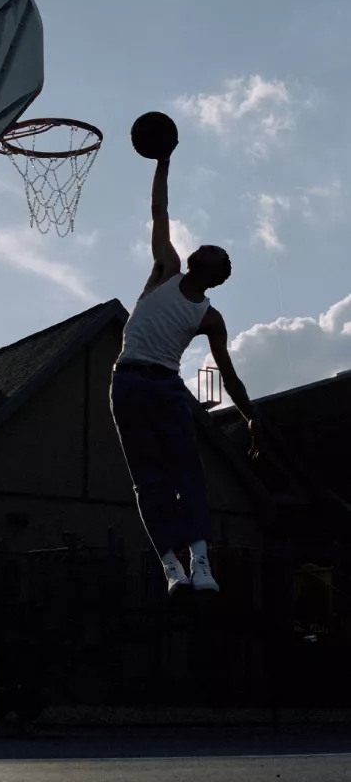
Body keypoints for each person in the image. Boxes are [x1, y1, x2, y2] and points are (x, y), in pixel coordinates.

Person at [110, 147, 265, 597]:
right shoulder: (166, 268)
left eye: (215, 250)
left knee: (188, 474)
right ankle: (171, 565)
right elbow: (159, 209)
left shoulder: (209, 317)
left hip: (166, 386)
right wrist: (163, 162)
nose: (206, 246)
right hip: (129, 381)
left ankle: (200, 559)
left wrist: (251, 414)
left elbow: (230, 375)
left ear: (217, 274)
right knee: (149, 480)